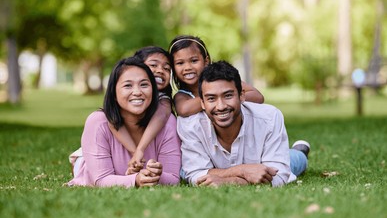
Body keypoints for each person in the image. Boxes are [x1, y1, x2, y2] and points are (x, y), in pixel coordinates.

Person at [177, 60, 309, 187]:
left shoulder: (269, 118)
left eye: (228, 95)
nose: (221, 106)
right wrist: (242, 170)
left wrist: (230, 181)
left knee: (295, 161)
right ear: (202, 103)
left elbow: (279, 175)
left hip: (266, 160)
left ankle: (301, 152)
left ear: (242, 96)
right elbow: (195, 174)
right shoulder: (190, 126)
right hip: (260, 163)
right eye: (211, 98)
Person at [67, 56, 181, 188]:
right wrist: (136, 180)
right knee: (87, 164)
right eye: (127, 85)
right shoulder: (98, 122)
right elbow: (101, 180)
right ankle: (81, 158)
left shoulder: (167, 122)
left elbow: (173, 178)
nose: (137, 92)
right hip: (92, 167)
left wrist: (156, 174)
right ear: (114, 93)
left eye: (144, 84)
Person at [108, 46, 174, 174]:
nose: (160, 70)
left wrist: (140, 149)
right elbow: (112, 119)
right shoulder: (123, 94)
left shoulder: (163, 99)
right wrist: (136, 150)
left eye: (167, 68)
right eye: (153, 65)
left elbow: (161, 117)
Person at [168, 35, 264, 117]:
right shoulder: (182, 95)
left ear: (206, 61)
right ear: (173, 67)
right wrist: (214, 98)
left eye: (194, 61)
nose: (187, 67)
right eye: (180, 63)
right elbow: (184, 109)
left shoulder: (223, 80)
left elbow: (258, 97)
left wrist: (229, 97)